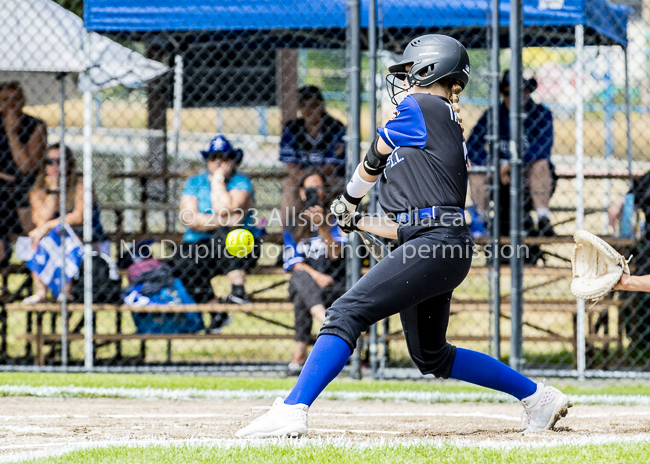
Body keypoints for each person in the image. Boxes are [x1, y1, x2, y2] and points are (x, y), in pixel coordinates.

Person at [237, 35, 571, 438]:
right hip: (437, 242)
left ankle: (293, 408)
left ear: (431, 70)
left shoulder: (423, 105)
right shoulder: (434, 127)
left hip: (436, 243)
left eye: (411, 73)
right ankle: (539, 398)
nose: (405, 82)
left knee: (344, 313)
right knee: (432, 354)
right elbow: (410, 224)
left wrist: (347, 197)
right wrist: (356, 220)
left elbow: (376, 152)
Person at [173, 135, 259, 334]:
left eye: (225, 157)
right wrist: (224, 219)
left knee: (226, 233)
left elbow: (228, 209)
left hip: (241, 248)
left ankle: (238, 290)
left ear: (233, 160)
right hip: (202, 246)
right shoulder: (194, 182)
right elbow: (188, 218)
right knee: (183, 261)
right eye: (213, 158)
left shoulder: (241, 181)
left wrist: (218, 181)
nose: (219, 162)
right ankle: (217, 312)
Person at [466, 70, 555, 239]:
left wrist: (512, 166)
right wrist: (495, 167)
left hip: (527, 174)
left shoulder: (542, 114)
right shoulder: (493, 115)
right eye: (507, 93)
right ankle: (482, 221)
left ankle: (543, 220)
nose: (512, 98)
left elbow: (542, 148)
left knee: (541, 164)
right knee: (477, 170)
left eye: (518, 92)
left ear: (527, 91)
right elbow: (472, 145)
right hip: (497, 175)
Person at [24, 143, 107, 303]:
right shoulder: (38, 191)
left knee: (63, 237)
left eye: (60, 161)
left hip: (83, 239)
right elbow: (40, 220)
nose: (55, 166)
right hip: (51, 243)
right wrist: (54, 191)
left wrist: (48, 226)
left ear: (69, 163)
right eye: (50, 161)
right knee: (41, 240)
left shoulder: (82, 185)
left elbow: (79, 217)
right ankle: (41, 292)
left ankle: (65, 291)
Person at [282, 170, 346, 374]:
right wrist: (316, 276)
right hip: (312, 282)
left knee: (303, 296)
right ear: (301, 192)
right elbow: (292, 262)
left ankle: (298, 356)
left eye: (318, 187)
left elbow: (336, 254)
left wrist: (321, 227)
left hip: (334, 285)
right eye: (309, 188)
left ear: (324, 192)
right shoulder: (292, 224)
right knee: (300, 277)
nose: (314, 192)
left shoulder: (337, 220)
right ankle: (326, 322)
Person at [279, 86, 346, 231]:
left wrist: (315, 180)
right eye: (305, 105)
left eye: (314, 105)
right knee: (288, 186)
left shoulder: (335, 127)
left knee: (338, 186)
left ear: (321, 106)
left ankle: (337, 234)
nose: (310, 110)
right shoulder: (291, 128)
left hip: (329, 179)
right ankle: (291, 236)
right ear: (299, 107)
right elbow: (291, 168)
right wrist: (307, 180)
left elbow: (332, 167)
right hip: (301, 179)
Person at [0, 81, 47, 265]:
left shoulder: (35, 126)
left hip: (24, 191)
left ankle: (31, 256)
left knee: (23, 187)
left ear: (23, 102)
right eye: (5, 100)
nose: (10, 105)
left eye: (15, 99)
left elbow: (27, 166)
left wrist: (11, 133)